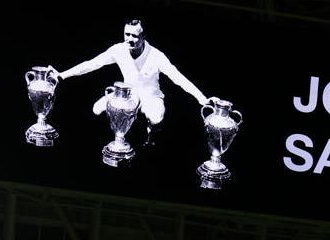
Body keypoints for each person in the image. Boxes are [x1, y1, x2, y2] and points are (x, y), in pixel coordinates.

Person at [48, 19, 209, 148]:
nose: (129, 40)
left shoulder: (157, 56)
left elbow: (178, 78)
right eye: (127, 34)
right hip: (127, 94)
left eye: (134, 36)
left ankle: (151, 134)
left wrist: (203, 99)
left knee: (156, 118)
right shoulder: (119, 49)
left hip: (150, 96)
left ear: (144, 37)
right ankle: (119, 135)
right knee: (96, 110)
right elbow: (91, 64)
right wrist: (62, 75)